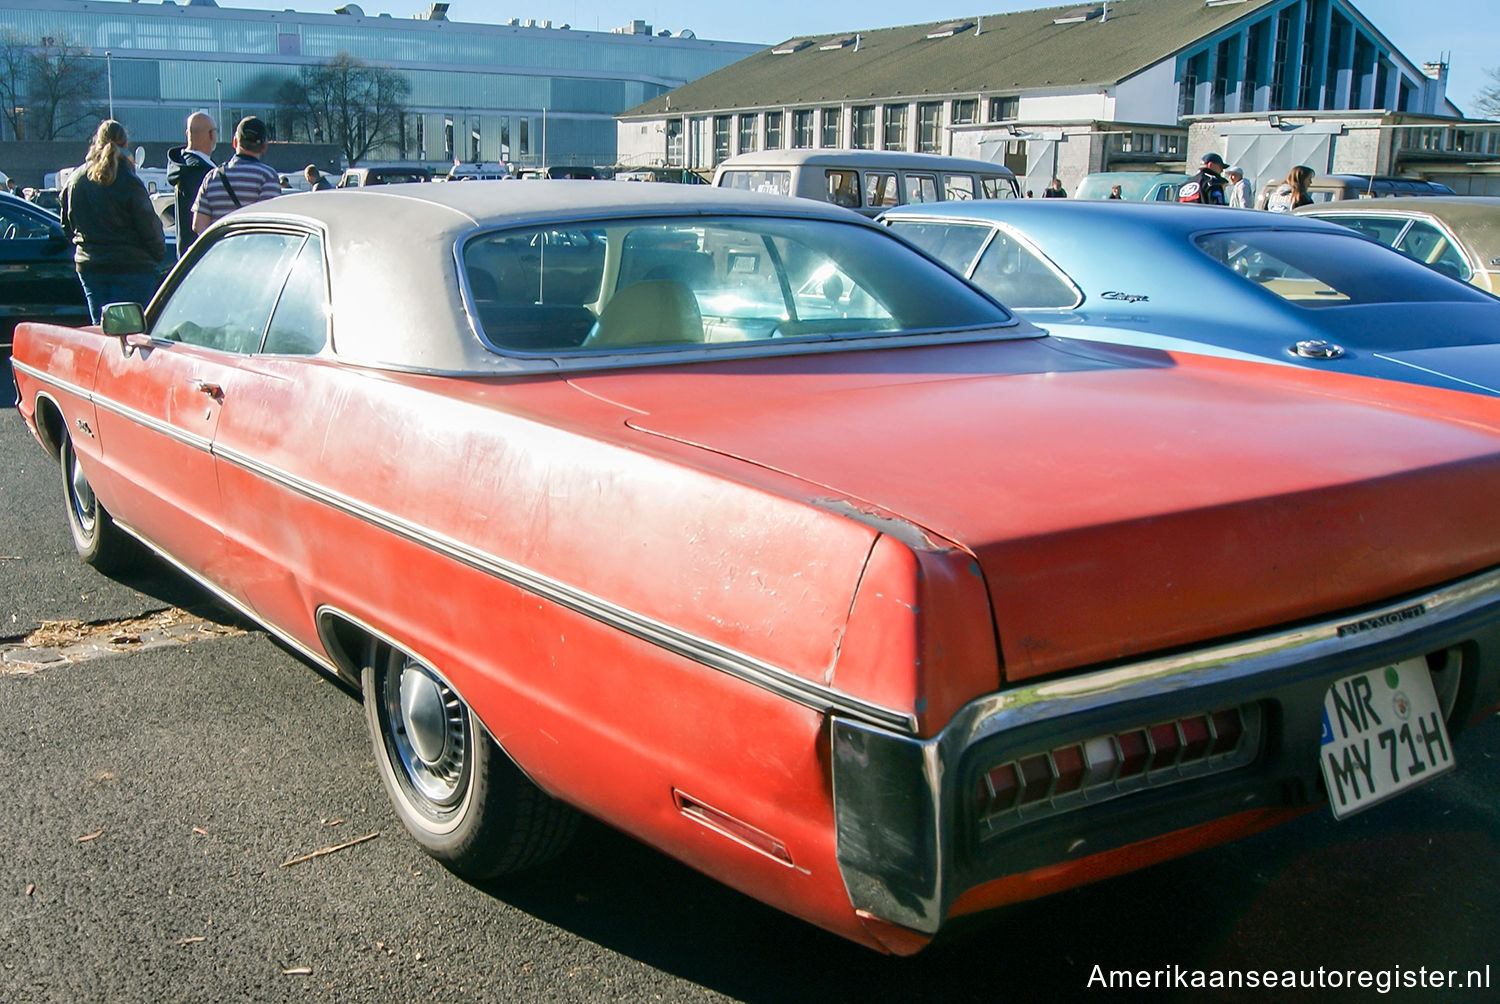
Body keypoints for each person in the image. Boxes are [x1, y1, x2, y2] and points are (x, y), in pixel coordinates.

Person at [58, 120, 166, 324]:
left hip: (91, 266)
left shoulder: (75, 180)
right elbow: (148, 226)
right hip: (132, 267)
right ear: (125, 145)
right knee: (131, 333)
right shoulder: (129, 180)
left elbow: (67, 226)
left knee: (102, 329)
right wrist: (158, 254)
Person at [191, 115, 283, 234]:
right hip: (253, 251)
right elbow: (268, 225)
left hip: (220, 251)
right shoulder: (268, 176)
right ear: (264, 147)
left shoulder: (212, 177)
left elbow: (198, 225)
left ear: (235, 142)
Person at [166, 110, 217, 257]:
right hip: (205, 255)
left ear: (187, 133)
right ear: (212, 135)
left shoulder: (181, 168)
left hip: (185, 255)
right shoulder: (204, 173)